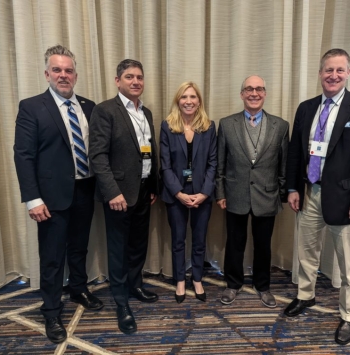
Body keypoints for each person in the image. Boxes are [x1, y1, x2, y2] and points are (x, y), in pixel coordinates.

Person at [284, 48, 350, 345]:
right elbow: (295, 152)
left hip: (346, 199)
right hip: (310, 192)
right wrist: (291, 188)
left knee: (349, 265)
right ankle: (305, 295)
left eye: (340, 70)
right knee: (306, 253)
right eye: (329, 70)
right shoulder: (306, 108)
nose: (334, 75)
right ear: (320, 73)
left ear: (348, 73)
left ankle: (349, 315)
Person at [13, 45, 103, 344]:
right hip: (50, 197)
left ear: (75, 75)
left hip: (85, 189)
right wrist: (33, 199)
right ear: (47, 73)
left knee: (79, 247)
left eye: (68, 70)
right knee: (52, 257)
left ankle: (78, 288)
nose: (63, 75)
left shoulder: (90, 107)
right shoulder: (32, 106)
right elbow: (23, 155)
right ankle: (51, 310)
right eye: (57, 70)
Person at [89, 59, 159, 334]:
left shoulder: (147, 112)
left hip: (143, 191)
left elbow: (147, 152)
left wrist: (152, 186)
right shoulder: (105, 110)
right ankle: (121, 302)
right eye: (129, 77)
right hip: (118, 194)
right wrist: (112, 192)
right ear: (118, 81)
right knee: (118, 248)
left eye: (139, 77)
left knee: (138, 243)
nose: (136, 81)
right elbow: (98, 155)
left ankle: (135, 285)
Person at [216, 75, 289, 308]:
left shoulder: (281, 126)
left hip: (267, 196)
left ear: (265, 93)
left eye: (259, 89)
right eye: (249, 89)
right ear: (242, 94)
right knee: (235, 242)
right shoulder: (227, 124)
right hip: (235, 194)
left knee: (263, 244)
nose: (254, 93)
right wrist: (220, 193)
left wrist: (283, 194)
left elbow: (283, 164)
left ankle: (263, 286)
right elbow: (220, 164)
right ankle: (232, 284)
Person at [160, 82, 217, 304]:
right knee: (178, 240)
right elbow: (164, 165)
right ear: (178, 100)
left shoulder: (209, 127)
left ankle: (197, 279)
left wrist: (204, 192)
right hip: (176, 194)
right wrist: (178, 193)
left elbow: (213, 163)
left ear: (199, 101)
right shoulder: (167, 126)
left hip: (203, 194)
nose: (189, 101)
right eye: (184, 97)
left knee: (200, 240)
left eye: (193, 97)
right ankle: (180, 281)